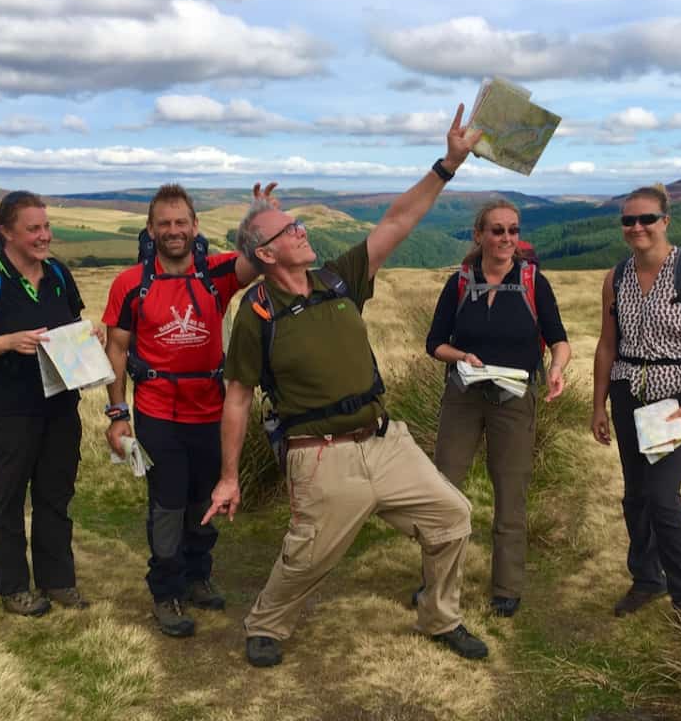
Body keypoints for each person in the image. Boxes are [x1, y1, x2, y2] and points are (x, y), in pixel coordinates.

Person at [203, 104, 490, 668]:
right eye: (289, 230)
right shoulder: (256, 314)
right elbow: (237, 399)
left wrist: (447, 165)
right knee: (309, 558)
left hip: (386, 442)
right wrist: (230, 477)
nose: (301, 229)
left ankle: (440, 616)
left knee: (452, 517)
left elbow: (396, 221)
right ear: (265, 254)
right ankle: (267, 623)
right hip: (320, 457)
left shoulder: (339, 278)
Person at [101, 183, 265, 638]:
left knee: (203, 500)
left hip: (212, 411)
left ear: (195, 227)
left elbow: (263, 259)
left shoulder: (218, 273)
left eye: (181, 223)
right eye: (164, 224)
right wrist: (117, 415)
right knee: (168, 505)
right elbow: (117, 350)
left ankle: (197, 575)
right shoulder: (129, 284)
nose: (173, 231)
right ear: (151, 229)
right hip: (158, 413)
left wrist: (259, 217)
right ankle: (166, 591)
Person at [0, 190, 96, 617]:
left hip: (60, 407)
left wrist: (90, 337)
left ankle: (58, 580)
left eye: (46, 226)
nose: (44, 235)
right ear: (6, 232)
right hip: (7, 410)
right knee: (8, 499)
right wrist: (10, 342)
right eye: (33, 228)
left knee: (55, 496)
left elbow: (70, 326)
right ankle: (14, 587)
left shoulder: (59, 275)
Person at [424, 199, 571, 618]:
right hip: (463, 395)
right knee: (443, 491)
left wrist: (557, 369)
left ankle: (507, 588)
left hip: (514, 398)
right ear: (479, 235)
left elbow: (558, 338)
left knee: (511, 493)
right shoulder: (459, 282)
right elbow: (435, 342)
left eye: (512, 230)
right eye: (497, 230)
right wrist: (461, 357)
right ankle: (436, 581)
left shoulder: (532, 281)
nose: (506, 238)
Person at [589, 183, 681, 627]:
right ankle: (648, 579)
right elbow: (607, 346)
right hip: (629, 393)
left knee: (662, 496)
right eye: (628, 220)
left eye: (647, 219)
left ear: (665, 221)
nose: (636, 227)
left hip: (675, 398)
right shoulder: (617, 277)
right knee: (636, 496)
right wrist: (598, 406)